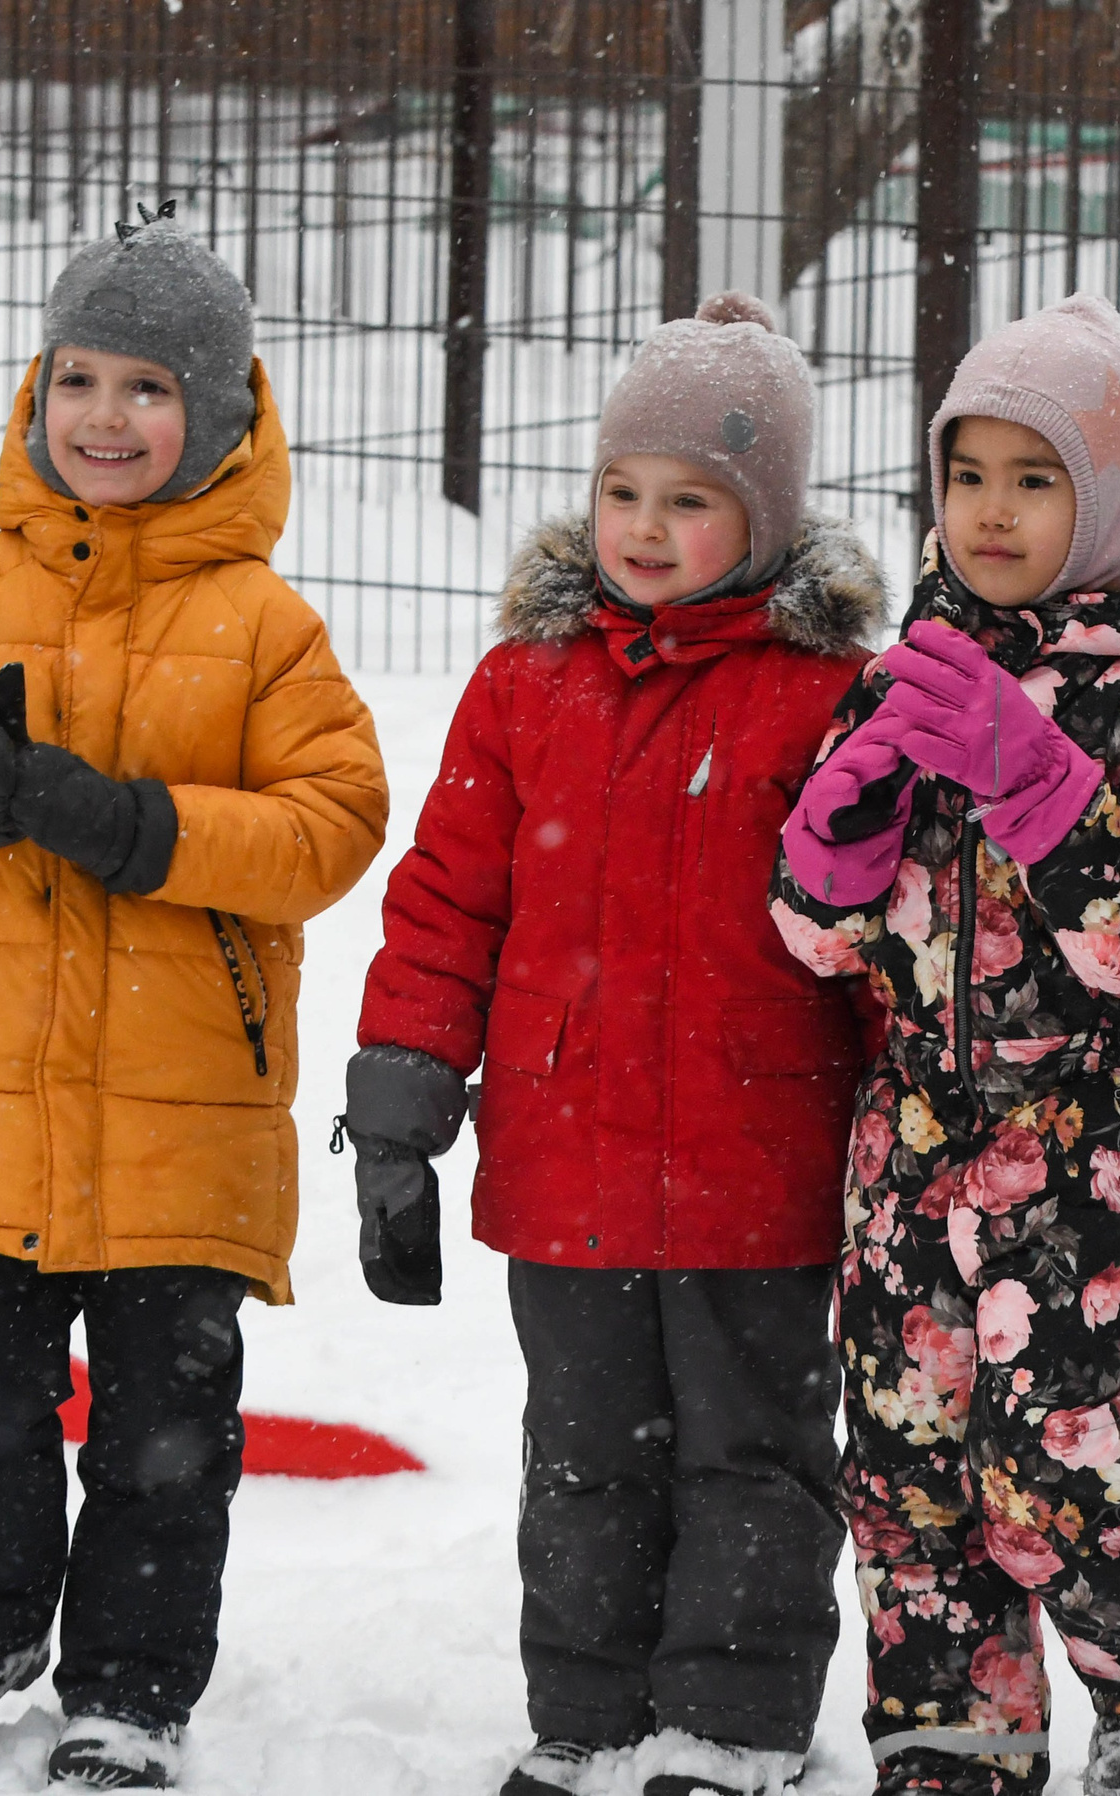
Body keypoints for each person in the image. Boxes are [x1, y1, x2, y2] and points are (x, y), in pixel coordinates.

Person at [0, 208, 388, 1790]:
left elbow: (332, 823)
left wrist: (144, 828)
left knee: (164, 1437)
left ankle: (132, 1685)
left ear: (215, 417)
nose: (104, 418)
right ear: (34, 395)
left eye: (147, 388)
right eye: (77, 377)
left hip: (183, 1113)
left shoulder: (267, 628)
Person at [344, 294, 887, 1796]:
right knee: (582, 1463)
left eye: (692, 501)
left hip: (755, 1164)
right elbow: (446, 903)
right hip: (565, 1157)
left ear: (767, 522)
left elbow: (873, 950)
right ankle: (583, 1713)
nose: (643, 529)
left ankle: (731, 1724)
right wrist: (400, 1107)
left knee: (750, 1462)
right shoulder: (528, 684)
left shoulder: (831, 700)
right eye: (622, 491)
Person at [769, 293, 1120, 1796]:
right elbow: (815, 937)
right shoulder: (907, 671)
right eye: (966, 474)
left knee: (1063, 1446)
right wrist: (833, 842)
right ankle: (948, 1738)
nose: (989, 513)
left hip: (1091, 1145)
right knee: (909, 1461)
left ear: (1108, 499)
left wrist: (1050, 792)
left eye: (1033, 479)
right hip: (913, 1133)